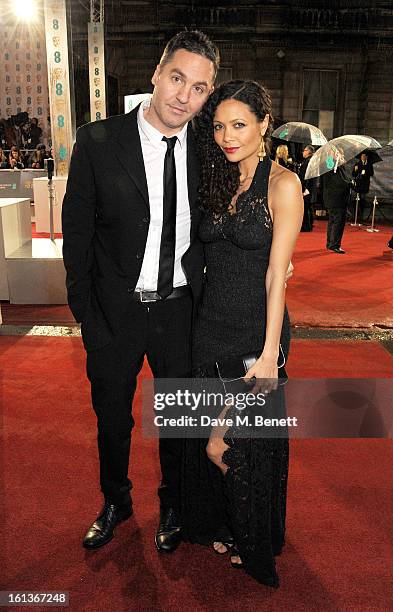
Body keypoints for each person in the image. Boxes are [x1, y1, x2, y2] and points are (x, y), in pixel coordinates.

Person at [62, 30, 219, 552]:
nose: (184, 96)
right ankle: (115, 500)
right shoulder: (98, 141)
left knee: (178, 420)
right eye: (178, 78)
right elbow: (78, 233)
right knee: (112, 417)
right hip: (115, 312)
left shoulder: (209, 150)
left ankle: (174, 503)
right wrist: (86, 312)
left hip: (180, 312)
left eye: (199, 89)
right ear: (156, 74)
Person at [181, 80, 303, 587]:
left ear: (262, 125)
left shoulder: (283, 185)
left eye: (238, 124)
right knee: (227, 445)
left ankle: (255, 537)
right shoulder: (215, 177)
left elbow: (278, 274)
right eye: (219, 126)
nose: (228, 136)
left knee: (225, 446)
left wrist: (271, 351)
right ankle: (239, 525)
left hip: (256, 332)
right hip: (210, 328)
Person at [322, 149, 351, 254]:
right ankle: (334, 245)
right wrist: (350, 183)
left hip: (331, 198)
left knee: (332, 221)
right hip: (337, 198)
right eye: (341, 153)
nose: (343, 155)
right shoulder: (333, 164)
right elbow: (338, 181)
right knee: (338, 222)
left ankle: (330, 243)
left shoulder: (329, 163)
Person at [298, 144, 316, 231]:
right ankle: (309, 224)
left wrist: (303, 189)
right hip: (309, 188)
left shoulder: (307, 162)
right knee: (308, 207)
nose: (303, 152)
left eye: (304, 150)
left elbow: (305, 177)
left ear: (309, 152)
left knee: (305, 207)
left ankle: (306, 226)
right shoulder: (311, 161)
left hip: (306, 188)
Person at [352, 152, 374, 222]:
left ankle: (362, 216)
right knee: (357, 200)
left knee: (363, 200)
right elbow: (353, 174)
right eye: (362, 156)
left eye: (364, 156)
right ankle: (356, 215)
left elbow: (372, 173)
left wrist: (366, 170)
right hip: (358, 184)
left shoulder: (369, 164)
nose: (363, 157)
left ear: (366, 157)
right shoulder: (357, 164)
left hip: (365, 184)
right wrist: (355, 170)